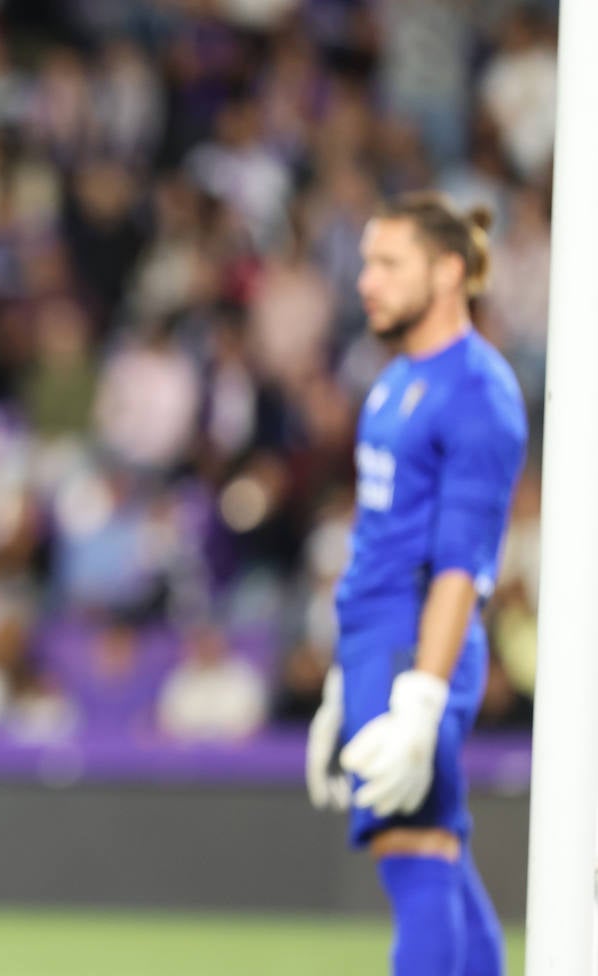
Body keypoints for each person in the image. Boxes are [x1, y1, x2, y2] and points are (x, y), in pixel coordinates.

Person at [305, 192, 526, 975]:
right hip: (380, 644)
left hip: (414, 648)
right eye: (367, 261)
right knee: (438, 854)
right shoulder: (397, 381)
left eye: (388, 264)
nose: (367, 281)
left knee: (415, 851)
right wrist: (344, 677)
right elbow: (380, 542)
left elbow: (463, 565)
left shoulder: (477, 391)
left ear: (449, 272)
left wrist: (421, 698)